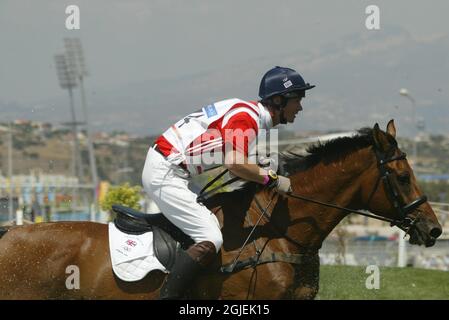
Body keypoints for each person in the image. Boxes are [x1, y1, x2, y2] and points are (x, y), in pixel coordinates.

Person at [142, 66, 315, 299]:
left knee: (214, 222)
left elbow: (230, 156)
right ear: (278, 100)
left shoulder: (249, 114)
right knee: (211, 237)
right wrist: (271, 179)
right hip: (166, 172)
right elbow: (234, 163)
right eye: (297, 99)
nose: (300, 107)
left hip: (174, 171)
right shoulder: (247, 118)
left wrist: (257, 163)